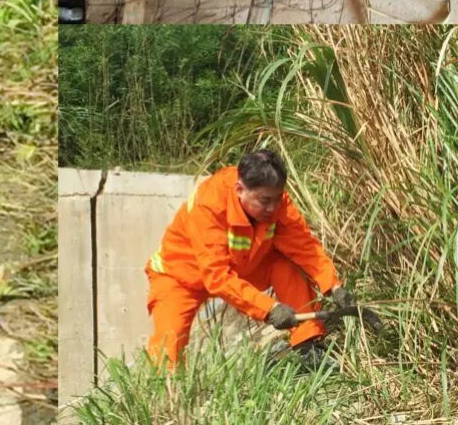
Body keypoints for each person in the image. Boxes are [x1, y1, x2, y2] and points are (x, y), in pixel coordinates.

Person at [147, 150, 349, 371]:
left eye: (277, 199)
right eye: (264, 201)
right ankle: (168, 395)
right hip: (181, 276)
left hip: (244, 266)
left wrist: (333, 285)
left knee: (286, 265)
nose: (272, 208)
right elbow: (217, 277)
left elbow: (304, 246)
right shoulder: (210, 204)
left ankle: (307, 345)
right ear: (240, 189)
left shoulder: (276, 200)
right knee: (169, 344)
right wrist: (269, 309)